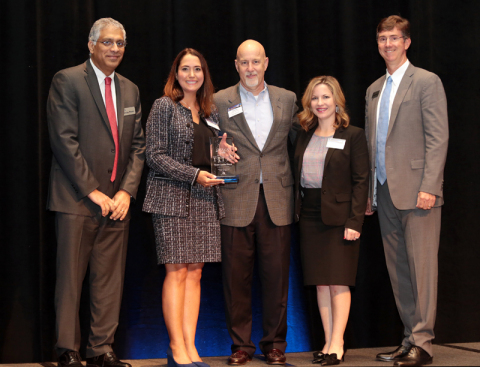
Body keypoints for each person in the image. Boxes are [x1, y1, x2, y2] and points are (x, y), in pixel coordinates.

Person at [46, 18, 145, 367]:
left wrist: (126, 193)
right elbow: (64, 141)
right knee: (71, 280)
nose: (115, 49)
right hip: (76, 200)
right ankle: (67, 350)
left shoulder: (131, 89)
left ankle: (101, 348)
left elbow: (138, 147)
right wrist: (93, 191)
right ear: (91, 45)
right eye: (107, 42)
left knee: (109, 280)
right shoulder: (68, 80)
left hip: (117, 204)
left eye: (120, 42)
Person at [365, 15, 448, 367]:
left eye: (394, 38)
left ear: (407, 42)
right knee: (399, 270)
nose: (388, 44)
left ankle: (424, 344)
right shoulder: (374, 89)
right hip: (384, 192)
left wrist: (430, 186)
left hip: (418, 193)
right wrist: (370, 193)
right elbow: (372, 145)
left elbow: (438, 137)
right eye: (383, 38)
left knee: (422, 269)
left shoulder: (426, 82)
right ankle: (409, 338)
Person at [213, 40, 298, 366]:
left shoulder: (287, 99)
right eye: (244, 62)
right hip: (236, 198)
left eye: (256, 62)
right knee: (236, 279)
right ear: (236, 65)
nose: (250, 68)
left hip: (277, 198)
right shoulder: (220, 100)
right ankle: (240, 346)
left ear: (266, 63)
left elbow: (301, 137)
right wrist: (216, 149)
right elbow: (208, 141)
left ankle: (275, 344)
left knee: (277, 278)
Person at [143, 48, 225, 367]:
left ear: (204, 74)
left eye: (198, 69)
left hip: (205, 201)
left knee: (196, 273)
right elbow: (155, 155)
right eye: (185, 69)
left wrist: (224, 155)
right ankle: (176, 347)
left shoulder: (210, 112)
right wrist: (194, 176)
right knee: (176, 272)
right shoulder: (164, 107)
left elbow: (212, 153)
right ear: (175, 74)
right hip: (171, 199)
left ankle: (191, 347)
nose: (192, 75)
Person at [293, 76, 369, 366]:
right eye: (315, 98)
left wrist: (355, 221)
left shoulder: (353, 135)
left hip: (340, 218)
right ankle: (327, 341)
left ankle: (338, 342)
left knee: (338, 281)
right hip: (310, 215)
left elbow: (361, 182)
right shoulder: (303, 134)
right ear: (308, 103)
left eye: (326, 97)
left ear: (337, 101)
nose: (320, 103)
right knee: (320, 283)